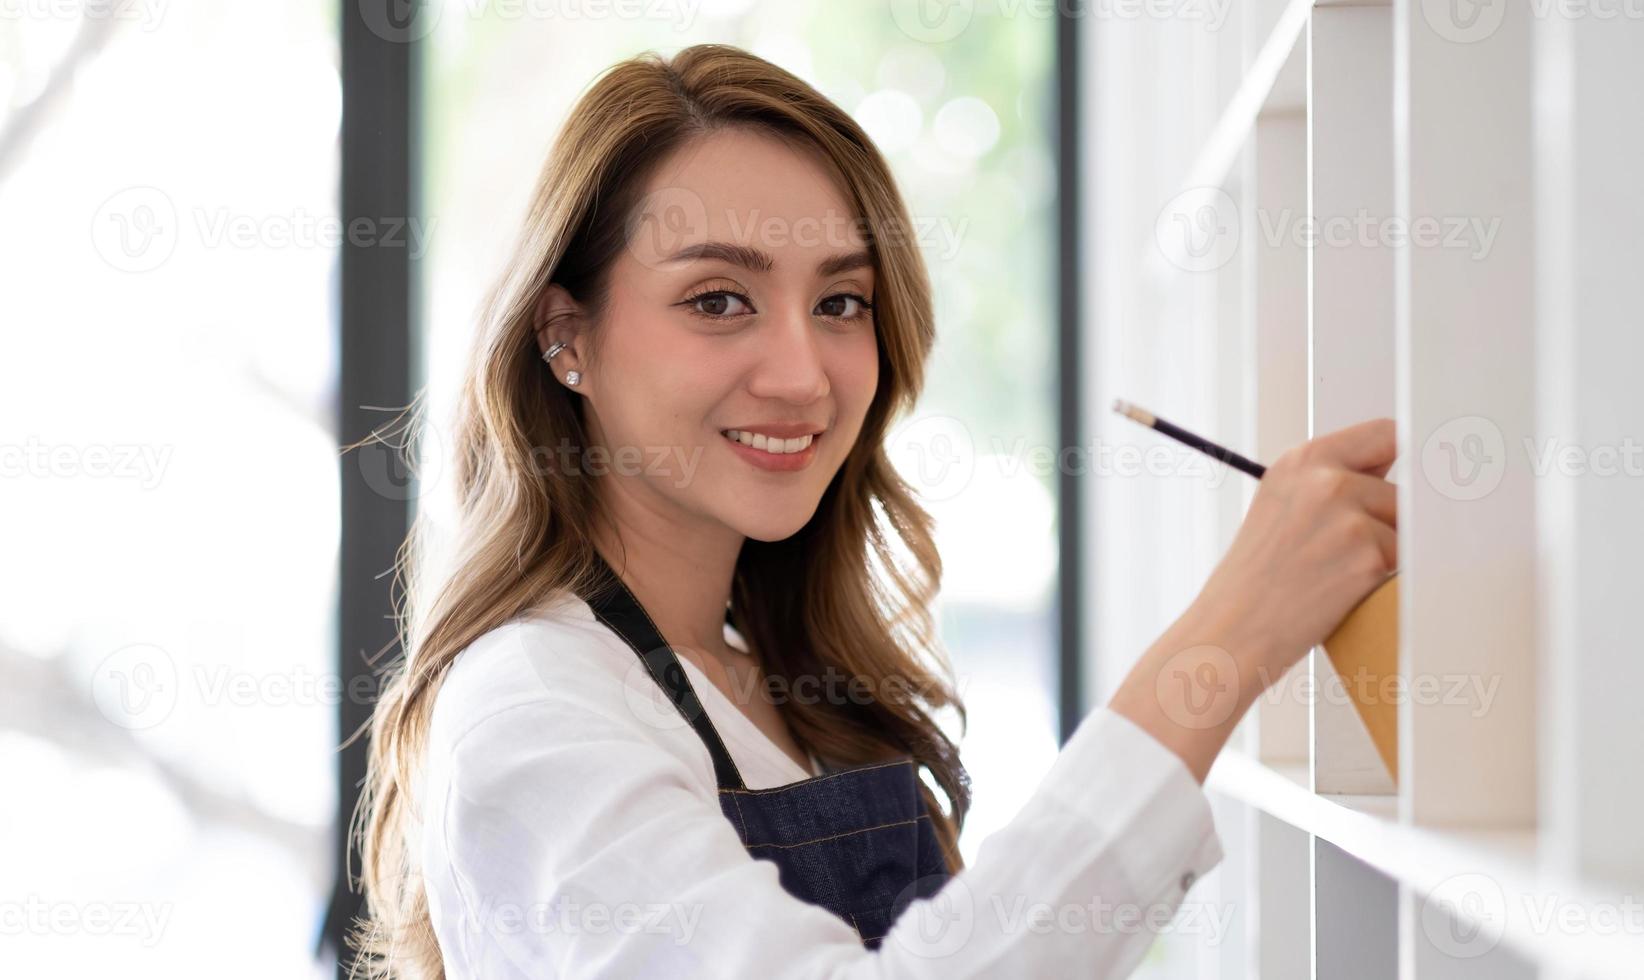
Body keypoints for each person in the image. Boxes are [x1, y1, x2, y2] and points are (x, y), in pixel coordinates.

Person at [345, 43, 1398, 979]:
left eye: (840, 302)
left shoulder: (783, 681)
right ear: (565, 337)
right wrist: (1227, 639)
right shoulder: (537, 708)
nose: (804, 375)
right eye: (719, 299)